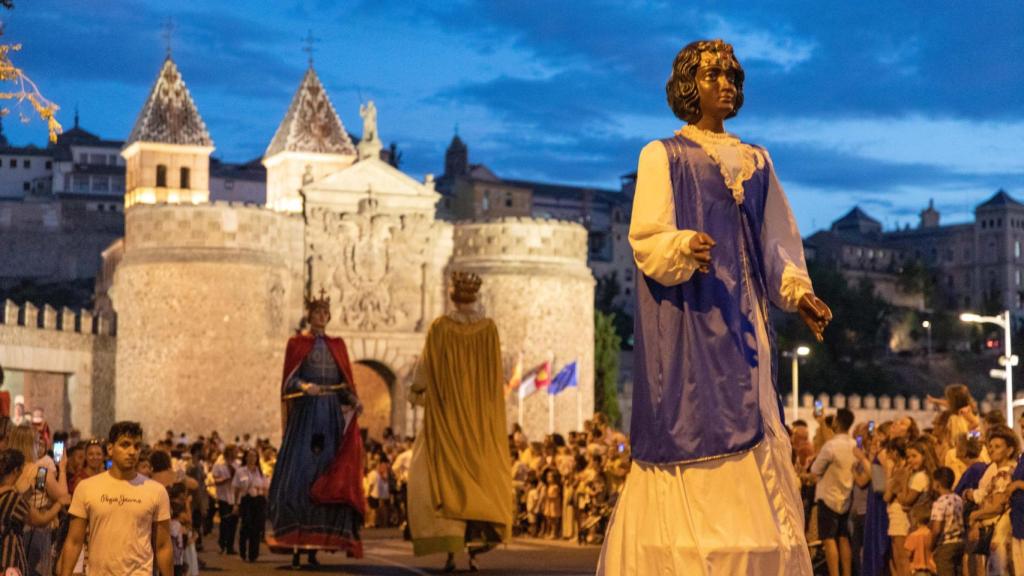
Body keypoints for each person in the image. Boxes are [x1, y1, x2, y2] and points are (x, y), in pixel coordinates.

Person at [597, 39, 831, 575]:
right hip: (691, 315)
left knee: (753, 410)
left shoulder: (758, 160)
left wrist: (799, 292)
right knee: (697, 414)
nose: (725, 83)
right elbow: (647, 237)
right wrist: (682, 245)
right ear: (688, 86)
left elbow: (778, 243)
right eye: (711, 75)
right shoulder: (662, 155)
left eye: (731, 75)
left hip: (747, 323)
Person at [408, 271, 514, 572]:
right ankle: (473, 549)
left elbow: (425, 367)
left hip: (447, 419)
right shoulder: (489, 329)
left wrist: (416, 392)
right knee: (480, 478)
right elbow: (496, 378)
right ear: (476, 297)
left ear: (452, 296)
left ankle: (451, 550)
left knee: (433, 476)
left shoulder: (440, 328)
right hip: (480, 421)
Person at [267, 289, 365, 568]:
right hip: (307, 416)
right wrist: (303, 386)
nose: (321, 316)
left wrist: (354, 400)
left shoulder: (338, 345)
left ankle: (315, 548)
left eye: (325, 312)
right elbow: (289, 382)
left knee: (329, 473)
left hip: (330, 415)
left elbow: (345, 385)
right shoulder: (297, 344)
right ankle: (297, 545)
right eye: (317, 312)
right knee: (299, 475)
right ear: (309, 315)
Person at [57, 421, 172, 576]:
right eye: (125, 445)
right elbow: (73, 541)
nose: (132, 451)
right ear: (110, 449)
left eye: (136, 446)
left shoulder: (156, 491)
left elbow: (163, 546)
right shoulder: (87, 488)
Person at [809, 408, 856, 576]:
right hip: (846, 497)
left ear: (836, 422)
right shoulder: (854, 445)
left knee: (829, 540)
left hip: (828, 497)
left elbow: (815, 470)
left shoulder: (831, 446)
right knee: (843, 538)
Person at [232, 448, 267, 563]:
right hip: (246, 501)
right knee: (246, 526)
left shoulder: (260, 472)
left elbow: (266, 487)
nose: (252, 458)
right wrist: (235, 504)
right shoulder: (240, 471)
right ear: (246, 457)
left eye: (254, 456)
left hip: (258, 500)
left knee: (256, 528)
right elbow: (236, 489)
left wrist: (261, 490)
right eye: (250, 456)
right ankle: (243, 552)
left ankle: (253, 554)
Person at [931, 467, 964, 576]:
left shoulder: (939, 503)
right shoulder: (958, 499)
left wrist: (931, 545)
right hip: (960, 542)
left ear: (937, 484)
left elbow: (936, 529)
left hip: (946, 545)